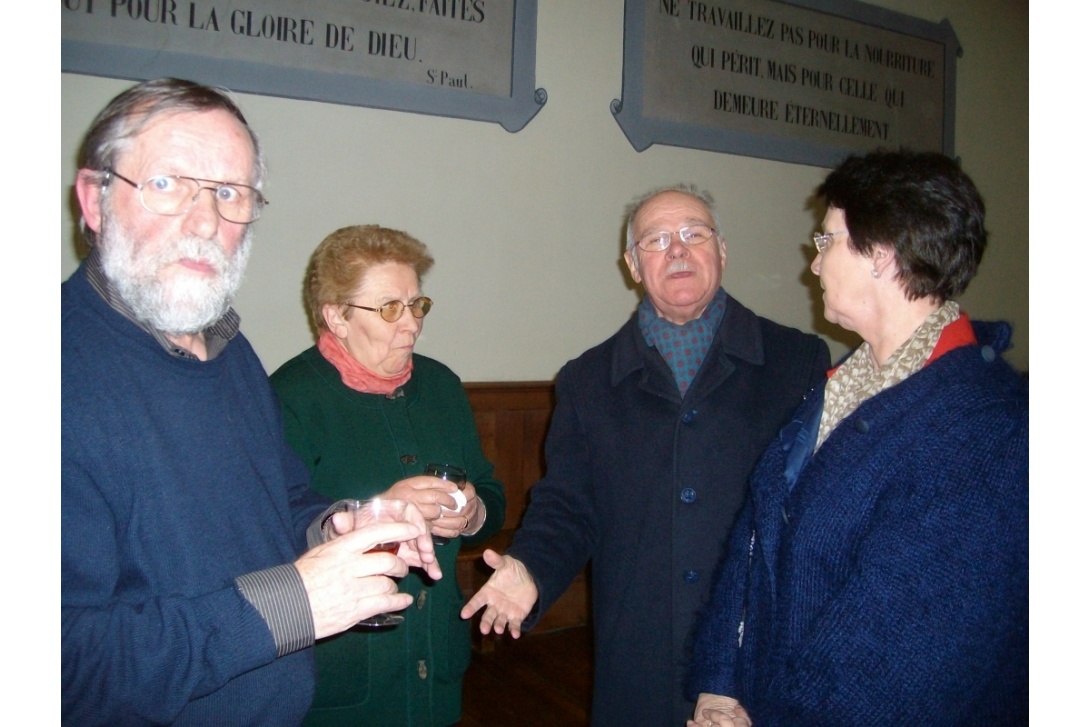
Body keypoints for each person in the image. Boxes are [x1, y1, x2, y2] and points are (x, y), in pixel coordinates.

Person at [62, 78, 441, 726]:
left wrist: (337, 526)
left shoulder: (230, 351)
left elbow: (283, 499)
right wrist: (294, 600)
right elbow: (63, 667)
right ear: (93, 201)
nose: (205, 220)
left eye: (230, 193)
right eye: (167, 185)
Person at [460, 184, 831, 725]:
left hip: (757, 654)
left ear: (721, 251)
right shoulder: (588, 380)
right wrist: (532, 568)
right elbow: (568, 503)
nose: (676, 249)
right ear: (633, 266)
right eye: (656, 240)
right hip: (638, 651)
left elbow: (816, 516)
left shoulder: (798, 361)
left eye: (693, 233)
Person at [687, 150, 1029, 727]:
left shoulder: (985, 432)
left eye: (827, 243)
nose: (814, 267)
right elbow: (753, 541)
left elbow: (893, 669)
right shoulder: (844, 387)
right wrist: (720, 685)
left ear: (883, 254)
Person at [269, 224, 506, 726]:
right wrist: (379, 511)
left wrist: (468, 512)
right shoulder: (289, 397)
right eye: (389, 308)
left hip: (435, 663)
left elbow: (490, 495)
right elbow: (267, 537)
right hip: (342, 671)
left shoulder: (441, 385)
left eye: (417, 305)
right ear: (336, 316)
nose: (412, 326)